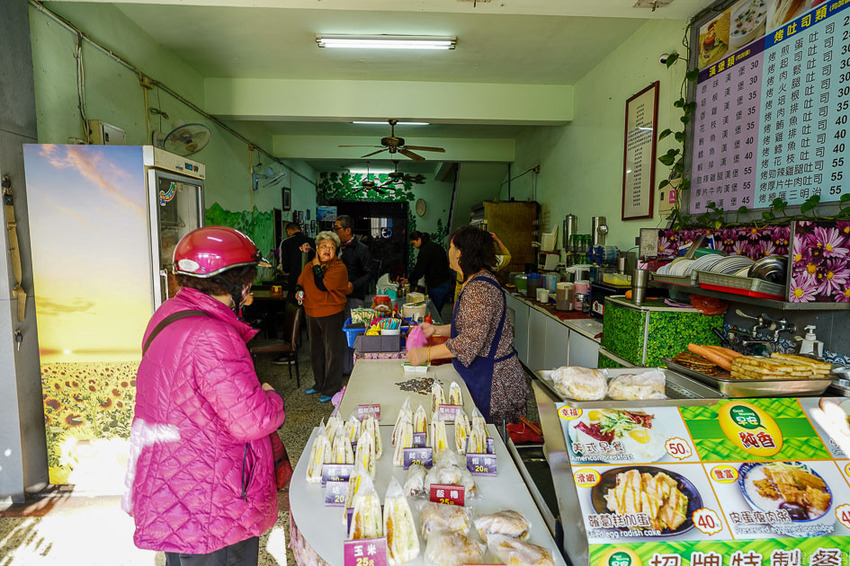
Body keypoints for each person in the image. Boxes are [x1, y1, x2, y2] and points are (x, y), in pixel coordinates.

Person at [124, 226, 286, 565]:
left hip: (173, 484)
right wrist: (272, 397)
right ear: (234, 284)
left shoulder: (167, 315)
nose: (250, 294)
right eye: (248, 283)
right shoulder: (213, 335)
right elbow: (251, 421)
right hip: (211, 496)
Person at [406, 225, 529, 424]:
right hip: (487, 373)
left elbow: (470, 341)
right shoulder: (474, 281)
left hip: (495, 382)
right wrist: (437, 329)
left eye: (451, 247)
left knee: (488, 437)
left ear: (461, 252)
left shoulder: (479, 289)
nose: (448, 251)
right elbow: (472, 326)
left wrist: (425, 354)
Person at [295, 230, 349, 403]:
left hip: (331, 313)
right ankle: (319, 383)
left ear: (336, 251)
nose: (327, 250)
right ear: (317, 248)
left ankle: (332, 388)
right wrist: (299, 291)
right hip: (311, 312)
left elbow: (322, 286)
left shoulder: (339, 267)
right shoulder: (309, 266)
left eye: (332, 247)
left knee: (333, 352)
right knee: (316, 351)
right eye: (324, 246)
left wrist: (317, 266)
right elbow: (300, 283)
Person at [333, 215, 375, 374]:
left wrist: (353, 285)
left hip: (353, 298)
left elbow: (370, 273)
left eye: (337, 228)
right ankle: (342, 368)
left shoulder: (361, 249)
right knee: (338, 334)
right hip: (335, 299)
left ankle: (352, 369)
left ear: (348, 230)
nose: (335, 231)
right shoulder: (335, 248)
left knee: (352, 334)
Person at [405, 231, 454, 316]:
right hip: (446, 282)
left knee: (433, 312)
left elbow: (419, 270)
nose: (414, 246)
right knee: (437, 310)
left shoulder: (425, 251)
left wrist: (409, 280)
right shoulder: (436, 246)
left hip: (437, 285)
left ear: (419, 239)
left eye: (414, 243)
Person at [453, 231, 511, 303]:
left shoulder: (463, 263)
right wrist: (498, 241)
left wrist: (456, 305)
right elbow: (508, 256)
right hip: (488, 301)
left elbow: (459, 288)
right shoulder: (494, 262)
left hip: (468, 302)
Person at [278, 221, 313, 305]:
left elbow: (285, 267)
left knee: (295, 305)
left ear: (288, 231)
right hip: (311, 281)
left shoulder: (286, 243)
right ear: (300, 229)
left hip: (294, 280)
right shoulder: (312, 241)